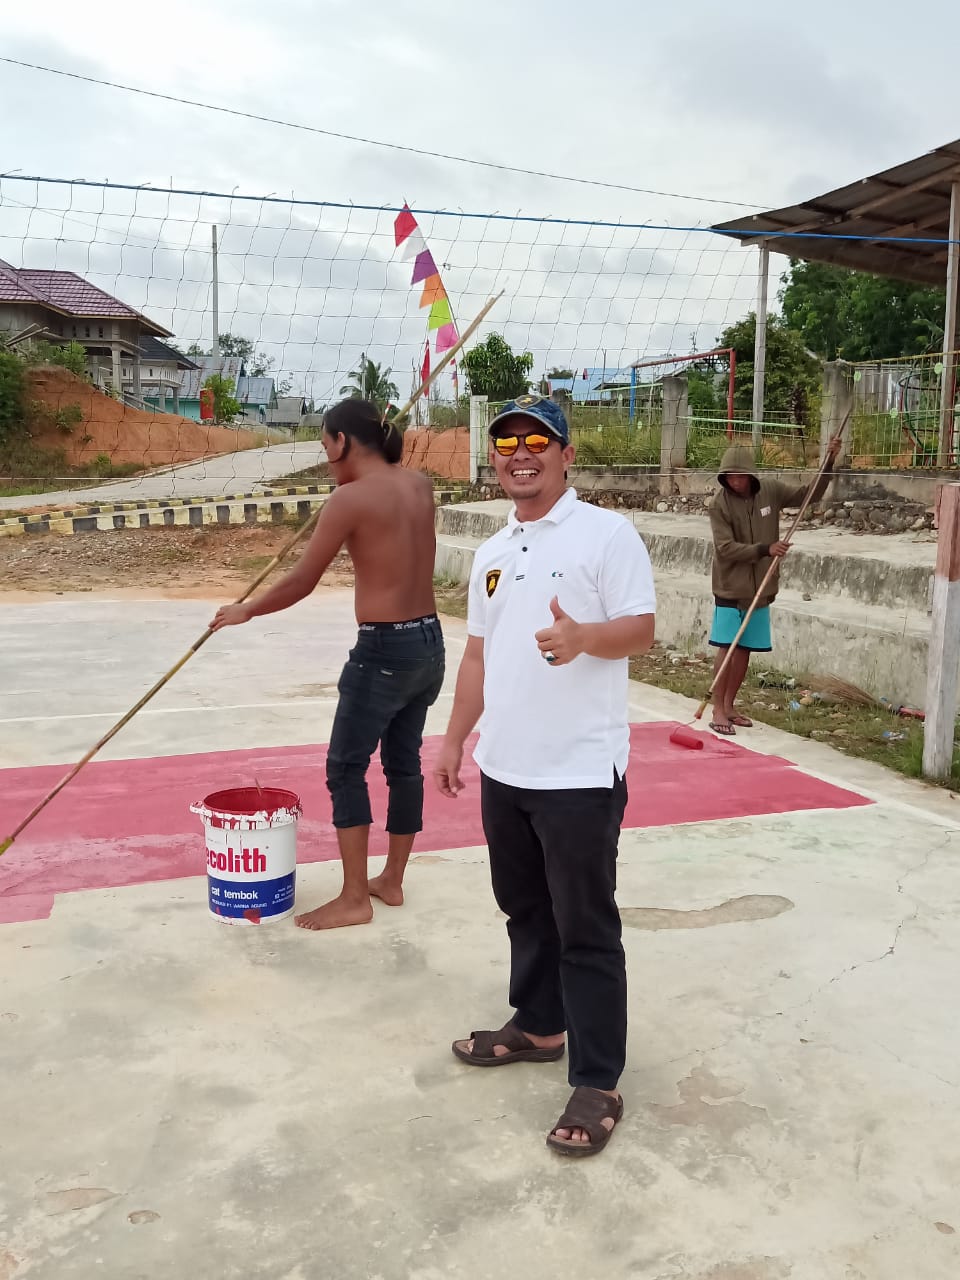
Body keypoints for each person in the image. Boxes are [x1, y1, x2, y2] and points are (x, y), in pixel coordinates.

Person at [433, 394, 656, 1157]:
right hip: (506, 767)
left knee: (586, 928)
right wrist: (455, 738)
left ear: (565, 455)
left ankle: (599, 1079)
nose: (518, 452)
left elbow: (642, 629)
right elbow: (477, 654)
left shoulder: (606, 534)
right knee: (524, 909)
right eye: (505, 442)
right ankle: (537, 1025)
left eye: (537, 440)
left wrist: (583, 635)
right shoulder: (493, 551)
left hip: (579, 773)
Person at [210, 398, 444, 930]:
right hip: (429, 645)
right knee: (403, 765)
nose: (325, 453)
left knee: (345, 768)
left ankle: (355, 897)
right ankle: (392, 879)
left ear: (341, 442)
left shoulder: (348, 499)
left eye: (324, 443)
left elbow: (302, 581)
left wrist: (247, 608)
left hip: (384, 650)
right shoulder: (420, 484)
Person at [707, 439, 839, 735]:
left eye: (739, 476)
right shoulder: (719, 505)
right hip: (730, 587)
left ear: (751, 475)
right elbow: (726, 549)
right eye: (729, 476)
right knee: (727, 647)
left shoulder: (771, 491)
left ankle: (730, 705)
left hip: (762, 587)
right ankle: (717, 709)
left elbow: (809, 496)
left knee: (744, 650)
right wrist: (766, 549)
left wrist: (828, 463)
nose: (734, 481)